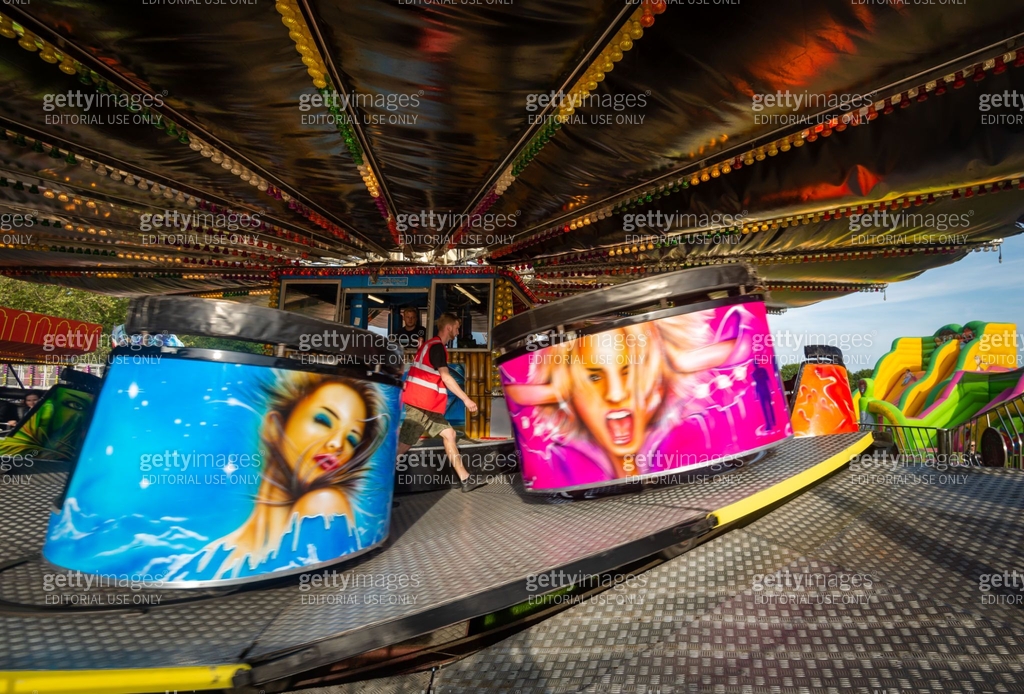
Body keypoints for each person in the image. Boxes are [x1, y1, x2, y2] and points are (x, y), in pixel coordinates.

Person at [198, 372, 388, 578]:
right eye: (323, 420)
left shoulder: (324, 505)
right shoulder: (212, 556)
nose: (337, 444)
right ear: (274, 426)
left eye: (351, 439)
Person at [397, 312, 482, 492]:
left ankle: (465, 479)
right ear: (449, 328)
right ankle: (374, 486)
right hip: (420, 405)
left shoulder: (429, 345)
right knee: (402, 446)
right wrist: (466, 399)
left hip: (425, 405)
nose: (458, 333)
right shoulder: (436, 347)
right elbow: (446, 377)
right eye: (457, 328)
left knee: (449, 434)